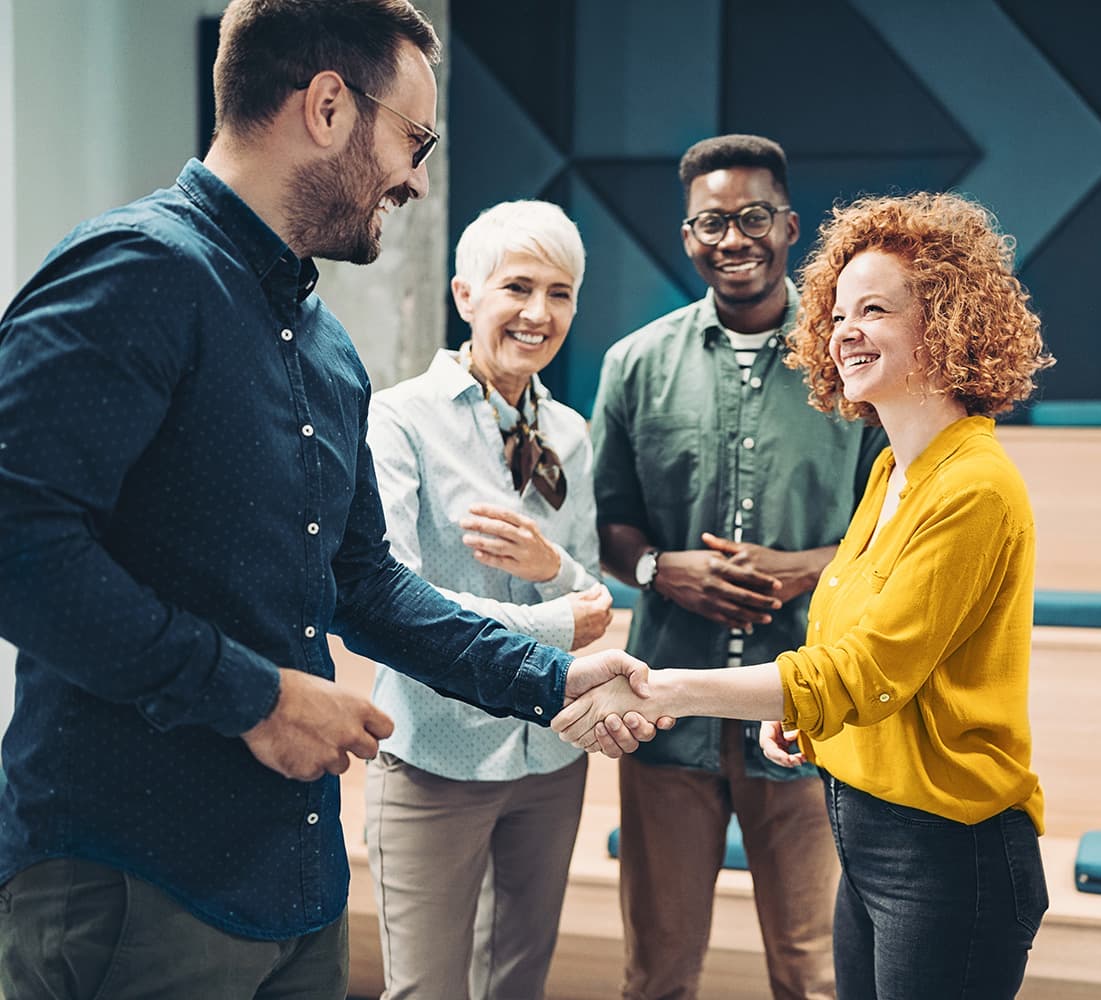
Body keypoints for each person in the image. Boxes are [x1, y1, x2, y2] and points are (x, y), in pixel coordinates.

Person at [0, 4, 653, 997]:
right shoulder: (136, 272)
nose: (419, 177)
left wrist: (547, 676)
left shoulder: (326, 346)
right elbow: (17, 541)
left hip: (298, 884)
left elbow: (361, 584)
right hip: (133, 877)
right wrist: (253, 694)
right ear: (330, 106)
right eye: (414, 138)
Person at [567, 191, 1055, 1000]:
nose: (844, 331)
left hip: (948, 850)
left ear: (944, 320)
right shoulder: (895, 472)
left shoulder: (973, 487)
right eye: (837, 313)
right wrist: (798, 717)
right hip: (862, 824)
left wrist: (671, 688)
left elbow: (864, 671)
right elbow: (844, 646)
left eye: (874, 310)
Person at [589, 134, 885, 1000]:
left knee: (814, 973)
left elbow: (888, 534)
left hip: (806, 712)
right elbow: (611, 524)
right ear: (687, 237)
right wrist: (657, 571)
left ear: (790, 226)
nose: (734, 237)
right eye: (711, 222)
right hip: (662, 712)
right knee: (658, 973)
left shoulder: (854, 366)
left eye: (754, 217)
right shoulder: (634, 365)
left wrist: (802, 569)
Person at [363, 200, 612, 998]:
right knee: (427, 989)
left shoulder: (570, 432)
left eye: (561, 292)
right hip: (437, 752)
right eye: (518, 287)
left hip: (551, 755)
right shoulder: (398, 420)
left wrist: (551, 567)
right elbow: (390, 596)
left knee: (519, 984)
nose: (540, 313)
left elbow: (594, 594)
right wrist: (554, 614)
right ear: (466, 295)